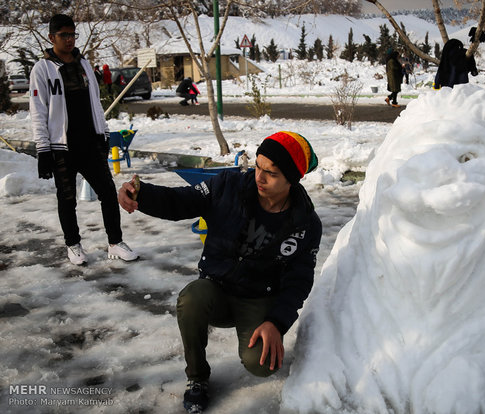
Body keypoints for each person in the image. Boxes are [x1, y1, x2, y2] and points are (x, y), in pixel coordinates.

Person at [117, 131, 322, 413]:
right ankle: (197, 378)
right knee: (192, 298)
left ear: (292, 179)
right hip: (217, 288)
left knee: (261, 365)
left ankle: (257, 331)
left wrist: (276, 322)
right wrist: (142, 194)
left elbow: (299, 281)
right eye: (257, 166)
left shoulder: (305, 224)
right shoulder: (229, 186)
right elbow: (181, 201)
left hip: (258, 298)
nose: (259, 178)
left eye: (271, 174)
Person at [29, 14, 138, 265]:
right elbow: (38, 111)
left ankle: (115, 242)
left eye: (72, 34)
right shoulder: (42, 68)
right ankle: (73, 245)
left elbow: (95, 104)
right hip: (61, 146)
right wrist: (43, 149)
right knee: (66, 198)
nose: (69, 40)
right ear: (51, 37)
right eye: (63, 35)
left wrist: (104, 133)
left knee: (108, 193)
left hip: (89, 142)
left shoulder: (84, 64)